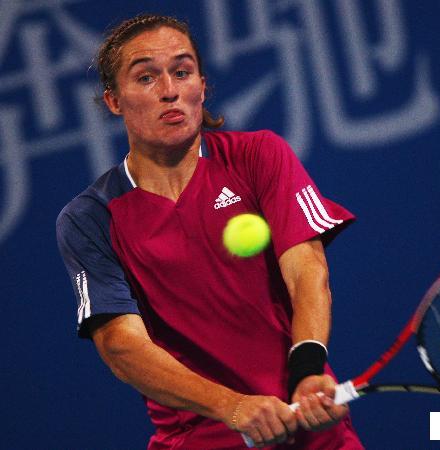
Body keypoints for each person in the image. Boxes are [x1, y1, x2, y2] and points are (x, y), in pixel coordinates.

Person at [56, 14, 364, 450]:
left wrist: (308, 368)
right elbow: (122, 345)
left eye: (182, 72)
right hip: (201, 439)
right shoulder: (91, 217)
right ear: (113, 101)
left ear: (202, 84)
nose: (169, 91)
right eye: (145, 77)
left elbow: (306, 269)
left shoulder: (259, 156)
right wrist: (232, 407)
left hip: (311, 429)